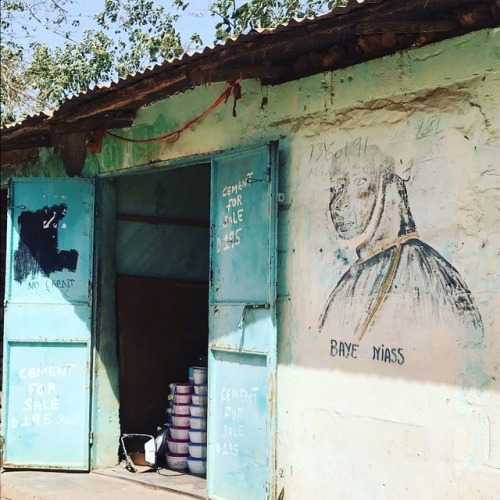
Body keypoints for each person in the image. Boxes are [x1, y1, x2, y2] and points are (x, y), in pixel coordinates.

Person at [318, 145, 483, 342]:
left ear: (387, 188)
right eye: (336, 188)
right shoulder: (350, 280)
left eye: (360, 182)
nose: (339, 203)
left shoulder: (426, 272)